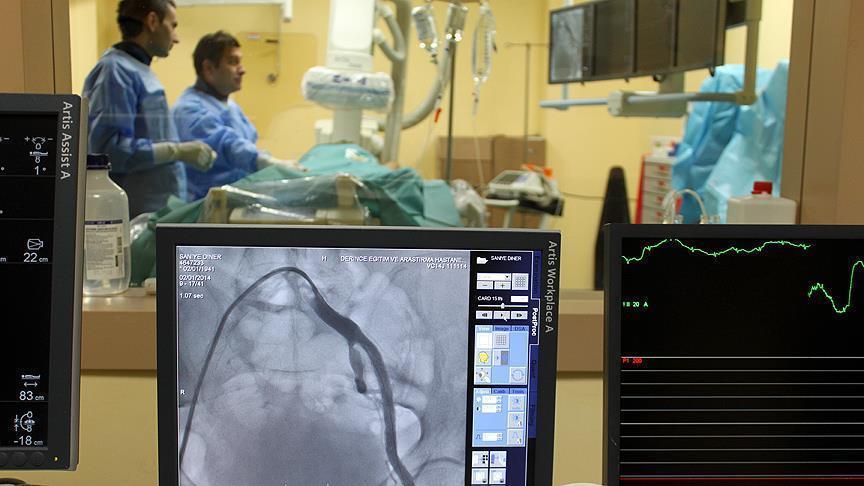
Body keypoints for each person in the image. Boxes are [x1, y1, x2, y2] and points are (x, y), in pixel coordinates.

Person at [83, 0, 216, 216]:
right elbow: (109, 151)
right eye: (173, 25)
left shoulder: (138, 69)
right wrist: (176, 151)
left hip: (155, 211)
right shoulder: (114, 70)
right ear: (152, 21)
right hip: (135, 215)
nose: (176, 37)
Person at [173, 31, 302, 201]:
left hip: (236, 198)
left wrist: (270, 161)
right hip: (206, 205)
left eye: (240, 62)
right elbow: (227, 145)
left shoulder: (228, 105)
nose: (242, 70)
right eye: (233, 62)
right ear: (209, 68)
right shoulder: (188, 110)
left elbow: (247, 144)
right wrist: (267, 163)